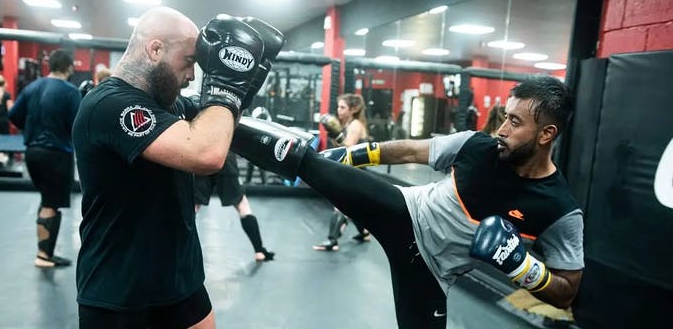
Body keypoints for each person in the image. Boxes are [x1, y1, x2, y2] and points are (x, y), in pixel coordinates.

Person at [232, 75, 583, 328]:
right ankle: (222, 121)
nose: (502, 129)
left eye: (514, 122)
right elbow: (412, 150)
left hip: (430, 272)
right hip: (403, 212)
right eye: (505, 116)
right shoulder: (477, 145)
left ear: (546, 134)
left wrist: (524, 267)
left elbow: (566, 293)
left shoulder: (560, 210)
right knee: (307, 161)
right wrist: (352, 155)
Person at [72, 7, 279, 329]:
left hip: (181, 278)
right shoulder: (108, 105)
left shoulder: (170, 104)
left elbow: (218, 124)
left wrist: (245, 85)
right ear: (155, 50)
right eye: (188, 61)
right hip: (120, 290)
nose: (193, 75)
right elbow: (207, 153)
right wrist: (227, 86)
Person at [8, 49, 82, 268]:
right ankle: (43, 255)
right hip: (56, 153)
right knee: (51, 204)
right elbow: (78, 124)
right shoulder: (70, 91)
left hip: (32, 152)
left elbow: (13, 116)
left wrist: (31, 129)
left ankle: (44, 252)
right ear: (69, 67)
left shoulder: (32, 87)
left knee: (46, 201)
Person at [313, 93, 371, 251]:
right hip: (352, 168)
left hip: (355, 171)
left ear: (352, 109)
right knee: (353, 206)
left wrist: (336, 133)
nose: (339, 110)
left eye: (342, 107)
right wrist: (333, 133)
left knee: (339, 205)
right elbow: (341, 146)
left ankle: (332, 241)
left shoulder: (355, 125)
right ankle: (364, 233)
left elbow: (348, 148)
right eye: (338, 107)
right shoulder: (348, 124)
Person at [194, 152, 275, 261]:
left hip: (203, 158)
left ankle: (177, 249)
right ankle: (259, 251)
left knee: (193, 208)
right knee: (243, 207)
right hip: (223, 157)